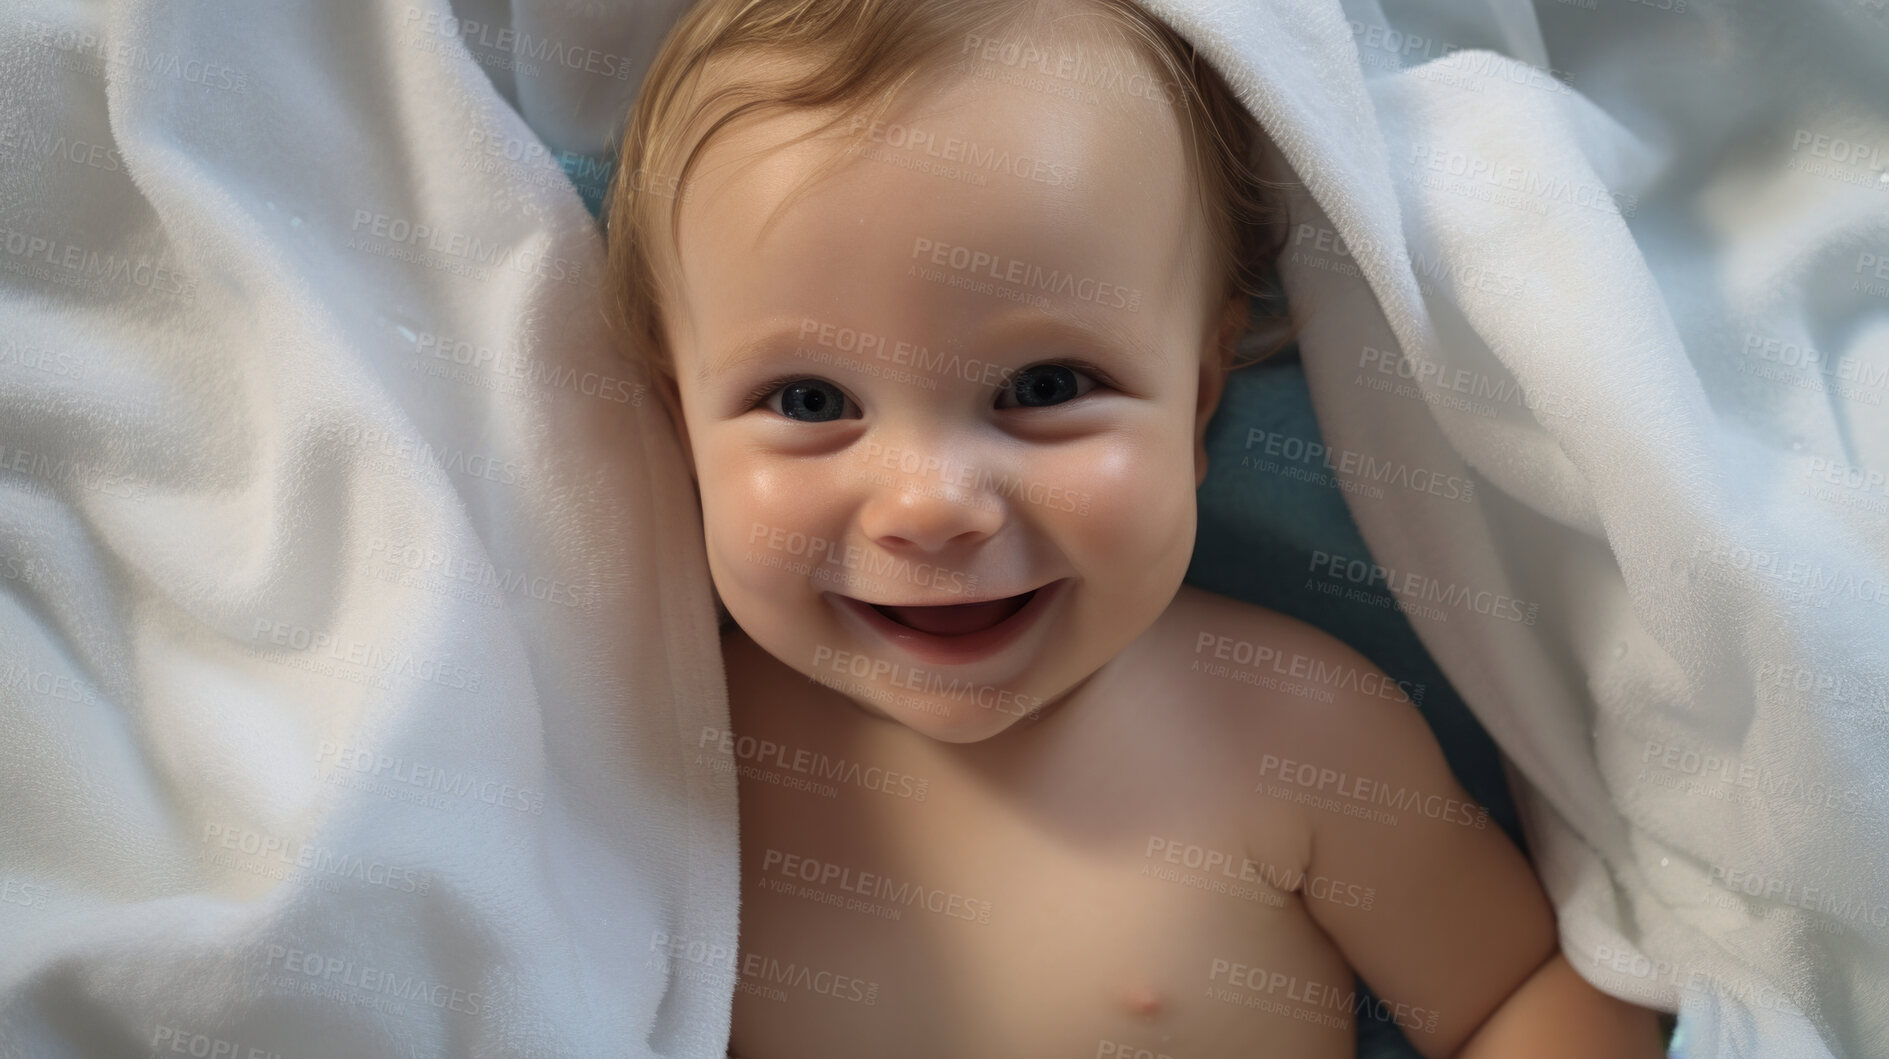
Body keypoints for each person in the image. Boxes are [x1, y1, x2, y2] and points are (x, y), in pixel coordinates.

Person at [603, 0, 1671, 1054]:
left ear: (1198, 399)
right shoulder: (659, 749)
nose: (928, 506)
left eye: (1046, 383)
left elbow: (1517, 997)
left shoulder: (1291, 732)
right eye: (808, 403)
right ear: (676, 417)